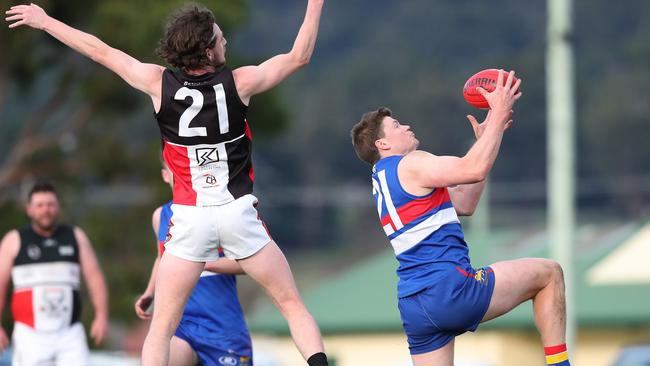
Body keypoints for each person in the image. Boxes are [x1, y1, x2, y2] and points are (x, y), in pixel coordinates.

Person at [6, 2, 329, 365]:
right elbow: (299, 56)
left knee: (161, 327)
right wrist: (315, 4)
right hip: (237, 211)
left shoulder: (158, 83)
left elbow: (100, 51)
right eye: (221, 37)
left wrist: (46, 21)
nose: (225, 41)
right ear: (208, 50)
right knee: (291, 304)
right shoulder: (241, 82)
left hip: (190, 218)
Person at [350, 70, 571, 366]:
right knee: (550, 273)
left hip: (415, 305)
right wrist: (498, 115)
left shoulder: (384, 181)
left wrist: (489, 138)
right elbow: (473, 168)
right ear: (383, 145)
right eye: (397, 126)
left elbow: (465, 202)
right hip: (450, 288)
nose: (407, 126)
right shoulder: (411, 163)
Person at [135, 161, 252, 366]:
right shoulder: (160, 216)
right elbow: (161, 258)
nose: (183, 177)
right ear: (165, 176)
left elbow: (246, 264)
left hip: (222, 327)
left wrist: (200, 263)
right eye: (176, 172)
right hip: (181, 323)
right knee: (162, 353)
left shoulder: (222, 213)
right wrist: (150, 291)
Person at [0, 182, 109, 366]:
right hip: (30, 335)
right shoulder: (14, 239)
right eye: (40, 205)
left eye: (50, 205)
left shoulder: (75, 236)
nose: (46, 210)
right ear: (29, 209)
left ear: (57, 206)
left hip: (69, 333)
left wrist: (102, 316)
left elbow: (95, 278)